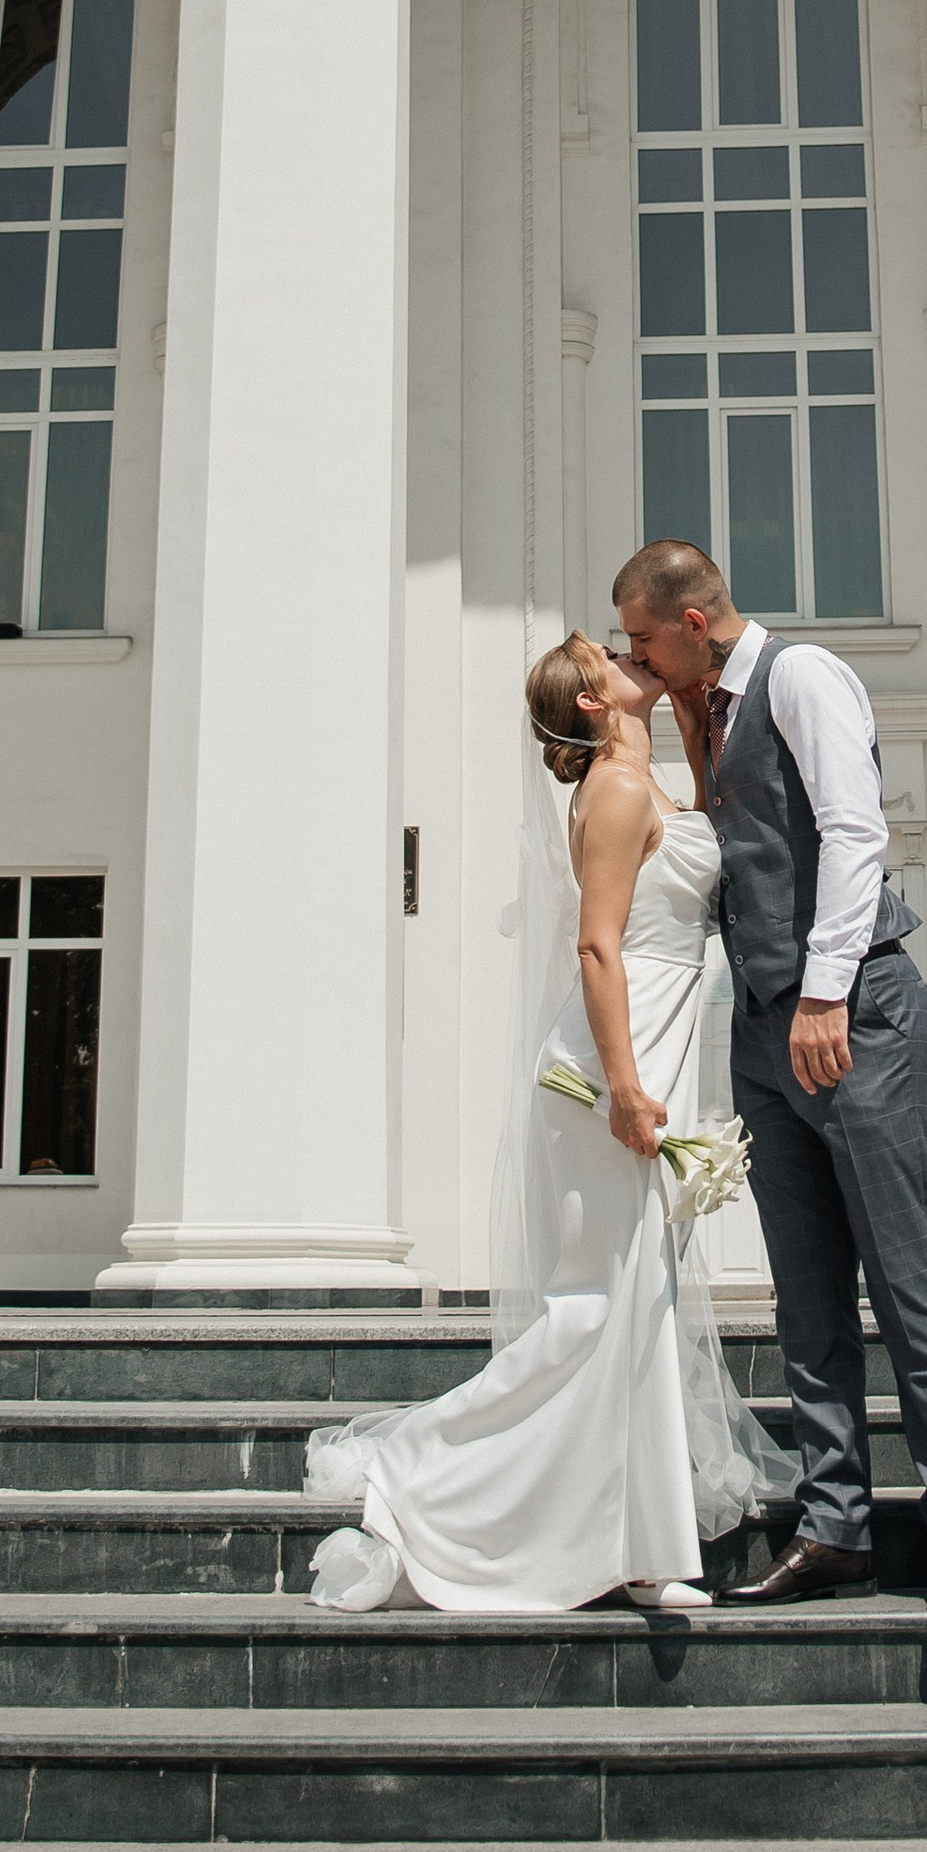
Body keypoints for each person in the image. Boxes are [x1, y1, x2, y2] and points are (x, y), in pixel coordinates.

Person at [300, 631, 783, 1615]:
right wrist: (624, 1086)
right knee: (601, 1301)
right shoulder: (609, 788)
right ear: (596, 703)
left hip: (656, 1038)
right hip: (612, 1058)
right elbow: (596, 945)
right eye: (609, 654)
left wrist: (691, 710)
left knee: (635, 1297)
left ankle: (644, 1541)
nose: (628, 651)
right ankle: (420, 1467)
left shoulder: (646, 767)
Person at [612, 538, 927, 1622]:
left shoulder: (805, 675)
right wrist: (677, 724)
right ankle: (835, 1527)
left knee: (905, 1274)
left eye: (642, 636)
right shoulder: (710, 709)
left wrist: (825, 994)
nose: (630, 655)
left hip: (853, 1009)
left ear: (691, 622)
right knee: (807, 1292)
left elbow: (851, 829)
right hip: (766, 1028)